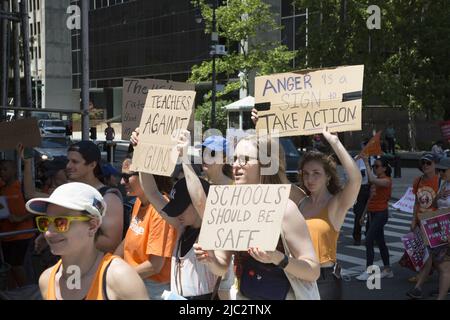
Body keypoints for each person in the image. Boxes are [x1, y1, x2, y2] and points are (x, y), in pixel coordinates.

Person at [192, 134, 321, 300]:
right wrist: (209, 258)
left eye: (245, 159)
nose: (236, 165)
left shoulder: (285, 209)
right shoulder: (230, 206)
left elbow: (313, 271)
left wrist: (277, 258)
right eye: (235, 158)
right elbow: (221, 267)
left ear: (264, 164)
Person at [25, 182, 149, 300]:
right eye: (45, 222)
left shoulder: (120, 278)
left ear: (93, 225)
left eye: (61, 222)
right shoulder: (46, 280)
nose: (48, 232)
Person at [296, 128, 362, 300]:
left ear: (328, 177)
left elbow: (356, 179)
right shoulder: (301, 201)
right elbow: (273, 177)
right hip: (295, 275)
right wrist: (265, 133)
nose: (310, 179)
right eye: (306, 174)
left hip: (323, 281)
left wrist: (335, 142)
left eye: (316, 173)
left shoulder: (335, 204)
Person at [114, 159, 177, 300]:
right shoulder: (139, 200)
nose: (122, 182)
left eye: (127, 177)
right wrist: (110, 263)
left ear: (145, 176)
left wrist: (118, 276)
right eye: (121, 176)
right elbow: (129, 238)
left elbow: (155, 266)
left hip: (152, 287)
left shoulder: (160, 210)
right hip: (135, 277)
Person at [67, 141, 123, 253]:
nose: (68, 166)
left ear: (92, 165)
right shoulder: (70, 191)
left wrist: (67, 235)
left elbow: (111, 243)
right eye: (68, 161)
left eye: (75, 162)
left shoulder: (108, 198)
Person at [406, 152, 440, 294]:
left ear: (435, 165)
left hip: (435, 223)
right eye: (423, 163)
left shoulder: (440, 181)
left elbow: (442, 204)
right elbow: (416, 202)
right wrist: (414, 220)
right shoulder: (418, 181)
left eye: (428, 163)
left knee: (431, 255)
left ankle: (418, 288)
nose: (425, 165)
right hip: (421, 222)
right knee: (433, 256)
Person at [356, 157, 394, 280]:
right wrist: (363, 215)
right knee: (381, 242)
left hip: (381, 213)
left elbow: (370, 178)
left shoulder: (387, 181)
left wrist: (366, 163)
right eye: (374, 166)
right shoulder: (376, 181)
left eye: (377, 166)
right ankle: (388, 269)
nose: (375, 168)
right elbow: (370, 199)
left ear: (384, 168)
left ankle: (369, 270)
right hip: (372, 214)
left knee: (368, 240)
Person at [0, 160, 35, 289]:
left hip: (22, 235)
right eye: (0, 170)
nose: (2, 172)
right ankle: (14, 293)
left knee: (17, 266)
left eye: (5, 169)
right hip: (6, 235)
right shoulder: (2, 189)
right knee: (9, 267)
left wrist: (20, 218)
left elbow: (35, 209)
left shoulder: (23, 188)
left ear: (14, 170)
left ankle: (27, 292)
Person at [352, 139, 374, 246]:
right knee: (359, 213)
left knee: (372, 214)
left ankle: (369, 236)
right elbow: (348, 174)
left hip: (372, 188)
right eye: (366, 146)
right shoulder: (357, 159)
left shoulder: (374, 159)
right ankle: (357, 236)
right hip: (360, 188)